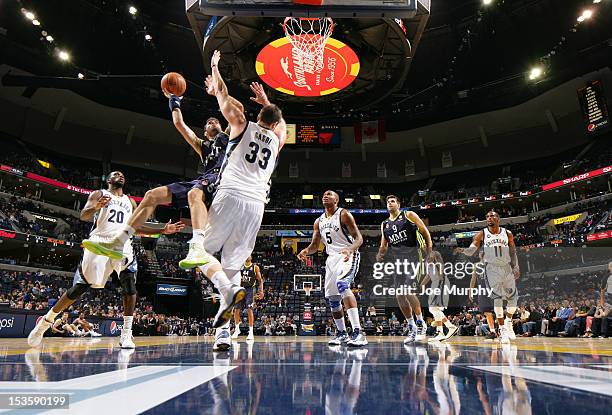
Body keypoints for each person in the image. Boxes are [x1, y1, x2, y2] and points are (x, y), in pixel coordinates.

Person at [80, 78, 229, 269]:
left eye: (215, 120)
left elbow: (230, 109)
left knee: (195, 193)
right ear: (206, 132)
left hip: (222, 179)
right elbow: (179, 123)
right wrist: (174, 99)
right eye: (208, 122)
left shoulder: (228, 136)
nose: (212, 121)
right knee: (151, 195)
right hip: (203, 179)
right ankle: (120, 241)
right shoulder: (202, 145)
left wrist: (217, 89)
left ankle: (197, 245)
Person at [28, 171, 184, 349]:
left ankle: (126, 333)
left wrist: (163, 228)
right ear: (109, 180)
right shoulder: (99, 194)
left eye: (123, 174)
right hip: (99, 242)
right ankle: (45, 323)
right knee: (79, 288)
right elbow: (84, 215)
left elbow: (137, 226)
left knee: (129, 284)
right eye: (116, 174)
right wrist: (95, 207)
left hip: (122, 243)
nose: (120, 175)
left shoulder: (130, 202)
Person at [197, 50, 287, 351]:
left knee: (200, 251)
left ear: (258, 117)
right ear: (273, 122)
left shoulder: (241, 124)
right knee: (232, 265)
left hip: (231, 194)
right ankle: (223, 333)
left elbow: (222, 93)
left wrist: (214, 67)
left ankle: (227, 289)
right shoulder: (277, 140)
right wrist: (267, 102)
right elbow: (281, 124)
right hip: (257, 206)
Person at [298, 190, 367, 347]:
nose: (325, 195)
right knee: (333, 298)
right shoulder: (318, 221)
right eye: (323, 194)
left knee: (343, 285)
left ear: (336, 200)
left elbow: (359, 238)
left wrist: (350, 250)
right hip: (331, 259)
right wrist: (306, 251)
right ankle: (342, 333)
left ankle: (358, 332)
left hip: (347, 254)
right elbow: (315, 246)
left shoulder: (344, 214)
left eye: (329, 194)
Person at [456, 210, 520, 344]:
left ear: (498, 218)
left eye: (492, 216)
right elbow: (472, 249)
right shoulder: (482, 234)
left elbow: (513, 251)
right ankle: (502, 331)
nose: (489, 218)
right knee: (497, 300)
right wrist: (464, 250)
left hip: (506, 267)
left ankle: (508, 321)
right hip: (492, 269)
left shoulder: (507, 233)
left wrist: (516, 267)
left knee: (513, 299)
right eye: (487, 216)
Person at [376, 195, 432, 343]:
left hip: (415, 257)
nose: (390, 203)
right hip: (398, 262)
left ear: (399, 204)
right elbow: (384, 244)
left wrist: (430, 251)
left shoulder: (409, 215)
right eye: (388, 202)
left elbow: (425, 232)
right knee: (399, 295)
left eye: (393, 201)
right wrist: (380, 254)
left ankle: (421, 324)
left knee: (407, 290)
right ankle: (412, 327)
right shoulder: (385, 224)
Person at [420, 250, 458, 342]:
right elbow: (428, 275)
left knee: (434, 308)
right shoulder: (426, 261)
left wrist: (441, 281)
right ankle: (448, 328)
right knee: (433, 309)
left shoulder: (435, 257)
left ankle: (442, 332)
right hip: (435, 283)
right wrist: (422, 284)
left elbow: (441, 267)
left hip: (441, 282)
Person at [232, 255, 264, 341]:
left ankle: (251, 332)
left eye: (249, 254)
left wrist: (261, 291)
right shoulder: (240, 266)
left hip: (250, 290)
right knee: (236, 309)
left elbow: (260, 280)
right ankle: (237, 329)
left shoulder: (255, 267)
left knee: (250, 309)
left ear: (251, 257)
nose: (247, 256)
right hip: (240, 289)